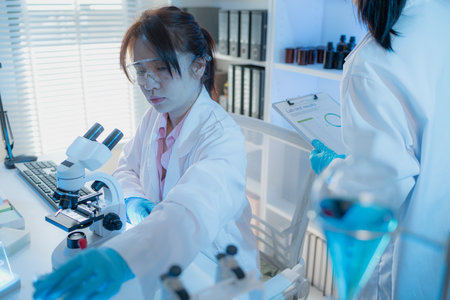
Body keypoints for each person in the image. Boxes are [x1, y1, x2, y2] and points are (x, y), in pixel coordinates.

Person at [33, 6, 259, 299]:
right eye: (140, 70)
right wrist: (134, 200)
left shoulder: (222, 137)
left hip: (214, 266)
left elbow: (191, 211)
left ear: (199, 66)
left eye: (161, 68)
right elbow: (127, 168)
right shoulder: (155, 117)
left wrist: (121, 258)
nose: (148, 84)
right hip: (160, 251)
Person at [310, 0, 450, 299]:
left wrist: (336, 175)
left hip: (412, 270)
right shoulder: (442, 18)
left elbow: (374, 202)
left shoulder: (373, 62)